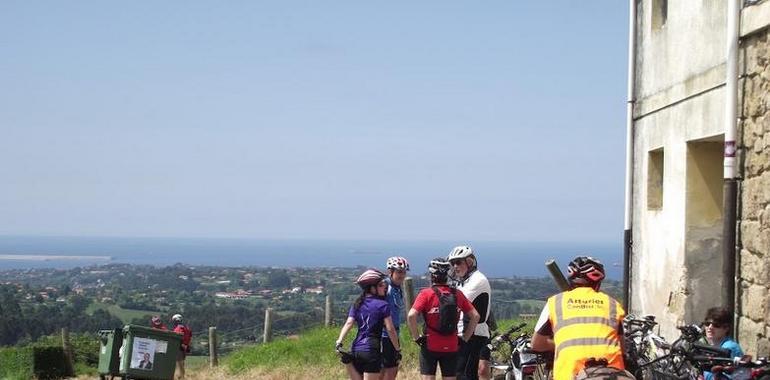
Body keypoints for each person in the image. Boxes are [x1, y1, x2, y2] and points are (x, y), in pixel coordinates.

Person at [531, 256, 627, 380]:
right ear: (598, 283)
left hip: (569, 375)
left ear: (570, 280)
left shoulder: (554, 303)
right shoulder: (612, 304)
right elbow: (622, 347)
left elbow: (536, 344)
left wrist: (561, 344)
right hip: (613, 374)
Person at [407, 257, 480, 380]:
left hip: (430, 344)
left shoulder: (426, 294)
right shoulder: (457, 294)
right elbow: (475, 316)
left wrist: (417, 337)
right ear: (447, 275)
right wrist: (465, 339)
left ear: (432, 275)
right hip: (451, 345)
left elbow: (411, 315)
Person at [336, 269, 402, 380]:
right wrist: (397, 349)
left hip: (356, 348)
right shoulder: (383, 305)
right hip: (372, 349)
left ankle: (348, 363)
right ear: (372, 288)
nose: (385, 287)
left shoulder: (358, 303)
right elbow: (390, 329)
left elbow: (349, 323)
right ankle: (348, 363)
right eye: (381, 285)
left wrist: (339, 341)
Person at [448, 245, 492, 380]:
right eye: (452, 263)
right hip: (466, 334)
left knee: (464, 374)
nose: (455, 266)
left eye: (458, 262)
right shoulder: (464, 281)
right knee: (462, 373)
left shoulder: (478, 280)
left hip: (474, 335)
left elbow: (456, 302)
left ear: (470, 262)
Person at [380, 256, 409, 380]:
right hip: (385, 335)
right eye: (399, 272)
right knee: (388, 370)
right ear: (390, 272)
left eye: (404, 272)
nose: (402, 275)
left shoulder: (397, 288)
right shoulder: (386, 288)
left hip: (394, 333)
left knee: (392, 368)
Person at [702, 306, 743, 380]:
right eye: (707, 323)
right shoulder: (714, 346)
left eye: (716, 325)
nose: (710, 327)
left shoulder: (729, 348)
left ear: (726, 328)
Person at [171, 313, 192, 380]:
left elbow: (178, 338)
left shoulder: (178, 328)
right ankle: (181, 376)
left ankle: (180, 377)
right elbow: (189, 338)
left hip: (178, 348)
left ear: (175, 321)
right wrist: (187, 346)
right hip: (184, 349)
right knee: (181, 364)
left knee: (177, 364)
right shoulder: (187, 328)